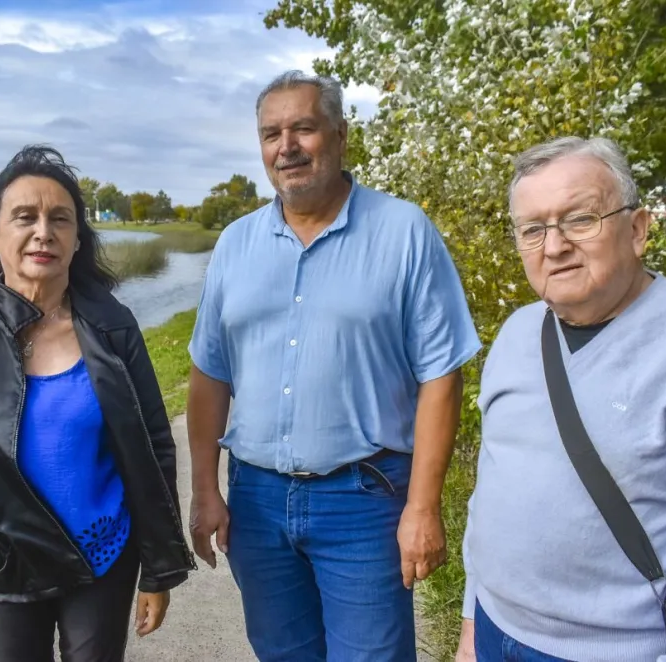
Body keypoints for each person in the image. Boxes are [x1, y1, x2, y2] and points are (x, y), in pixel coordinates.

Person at [185, 69, 481, 661]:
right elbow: (209, 375)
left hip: (364, 500)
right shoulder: (235, 245)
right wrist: (203, 490)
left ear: (341, 136)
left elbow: (441, 376)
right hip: (257, 503)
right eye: (271, 133)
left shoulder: (404, 232)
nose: (286, 146)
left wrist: (422, 507)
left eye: (303, 128)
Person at [456, 136, 666, 662]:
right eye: (533, 229)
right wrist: (473, 620)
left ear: (637, 229)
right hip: (495, 632)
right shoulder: (518, 333)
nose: (555, 245)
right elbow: (491, 489)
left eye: (580, 219)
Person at [0, 145, 195, 662]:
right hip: (4, 560)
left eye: (60, 219)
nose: (43, 232)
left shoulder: (113, 328)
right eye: (24, 217)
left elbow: (153, 448)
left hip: (103, 556)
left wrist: (158, 567)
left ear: (77, 239)